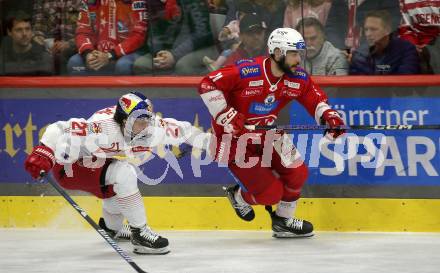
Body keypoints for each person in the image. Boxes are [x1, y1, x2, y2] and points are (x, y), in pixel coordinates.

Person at [198, 27, 346, 238]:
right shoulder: (248, 71)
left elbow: (315, 99)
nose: (298, 59)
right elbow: (208, 83)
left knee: (298, 172)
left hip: (268, 133)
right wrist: (226, 115)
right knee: (270, 194)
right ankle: (239, 196)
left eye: (299, 54)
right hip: (234, 141)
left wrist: (330, 117)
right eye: (294, 54)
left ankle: (284, 221)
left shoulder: (297, 77)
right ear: (277, 53)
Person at [24, 91, 208, 254]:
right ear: (123, 120)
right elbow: (59, 128)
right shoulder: (101, 127)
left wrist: (221, 148)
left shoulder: (152, 127)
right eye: (139, 121)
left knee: (117, 196)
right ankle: (140, 234)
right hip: (70, 168)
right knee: (125, 173)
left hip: (97, 165)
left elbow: (186, 131)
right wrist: (44, 152)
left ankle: (113, 229)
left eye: (147, 119)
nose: (145, 126)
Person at [133, 0, 217, 75]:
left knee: (183, 66)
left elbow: (202, 34)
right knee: (141, 64)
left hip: (201, 47)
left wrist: (174, 55)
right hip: (168, 48)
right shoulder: (156, 2)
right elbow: (154, 31)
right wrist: (160, 53)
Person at [67, 0, 147, 75]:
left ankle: (126, 91)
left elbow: (139, 34)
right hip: (97, 52)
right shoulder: (88, 1)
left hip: (128, 52)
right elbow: (82, 31)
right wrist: (88, 53)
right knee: (74, 62)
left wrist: (110, 55)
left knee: (123, 65)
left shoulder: (135, 1)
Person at [349, 10, 420, 75]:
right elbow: (357, 84)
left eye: (373, 29)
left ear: (387, 30)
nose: (368, 34)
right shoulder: (359, 54)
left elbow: (406, 80)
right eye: (366, 29)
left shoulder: (406, 50)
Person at [32, 0, 83, 75]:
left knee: (70, 61)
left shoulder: (82, 1)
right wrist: (44, 44)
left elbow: (89, 30)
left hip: (76, 46)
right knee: (45, 59)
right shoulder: (41, 2)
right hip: (48, 47)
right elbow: (37, 29)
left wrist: (69, 44)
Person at [0, 10, 54, 75]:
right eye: (19, 30)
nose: (24, 34)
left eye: (27, 29)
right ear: (9, 32)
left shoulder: (43, 56)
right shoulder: (3, 55)